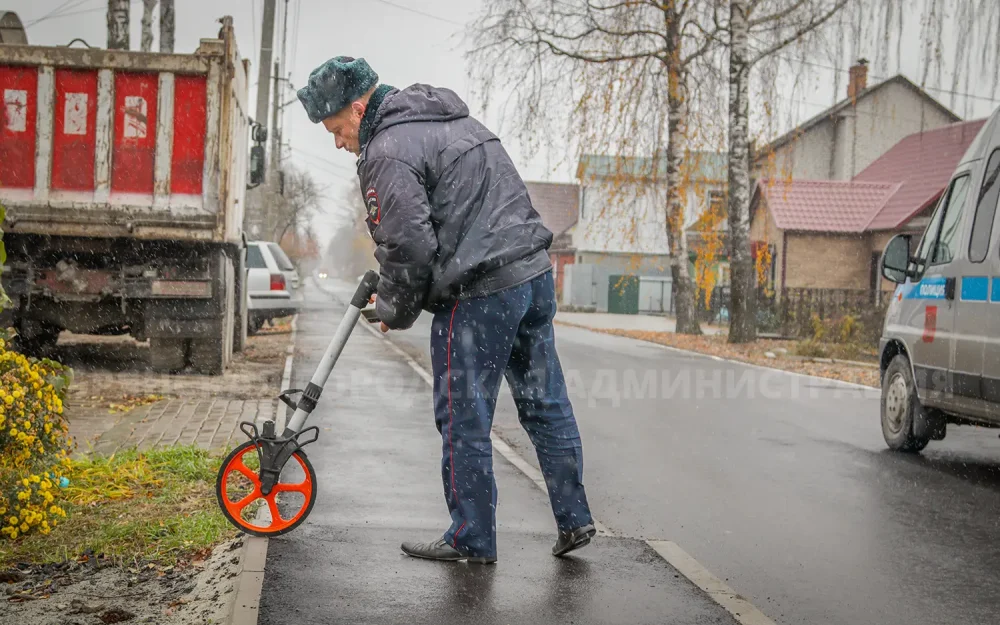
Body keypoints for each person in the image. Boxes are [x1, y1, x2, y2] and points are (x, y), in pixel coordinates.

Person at [297, 56, 594, 564]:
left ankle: (472, 537)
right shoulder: (457, 124)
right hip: (534, 276)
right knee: (544, 402)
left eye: (337, 128)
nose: (340, 141)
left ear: (359, 105)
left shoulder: (386, 149)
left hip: (480, 292)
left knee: (463, 416)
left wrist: (393, 307)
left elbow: (408, 243)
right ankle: (575, 518)